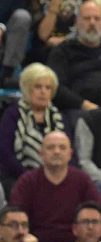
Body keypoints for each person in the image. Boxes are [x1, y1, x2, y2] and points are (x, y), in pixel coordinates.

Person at [10, 130, 101, 242]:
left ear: (70, 154)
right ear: (41, 153)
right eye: (51, 147)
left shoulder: (82, 180)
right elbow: (15, 216)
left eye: (62, 147)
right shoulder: (27, 182)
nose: (57, 151)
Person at [0, 62, 65, 191]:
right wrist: (31, 177)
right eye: (38, 87)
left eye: (48, 88)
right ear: (27, 89)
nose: (43, 92)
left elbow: (68, 151)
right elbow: (5, 154)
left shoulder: (57, 117)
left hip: (56, 176)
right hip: (18, 176)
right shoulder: (12, 114)